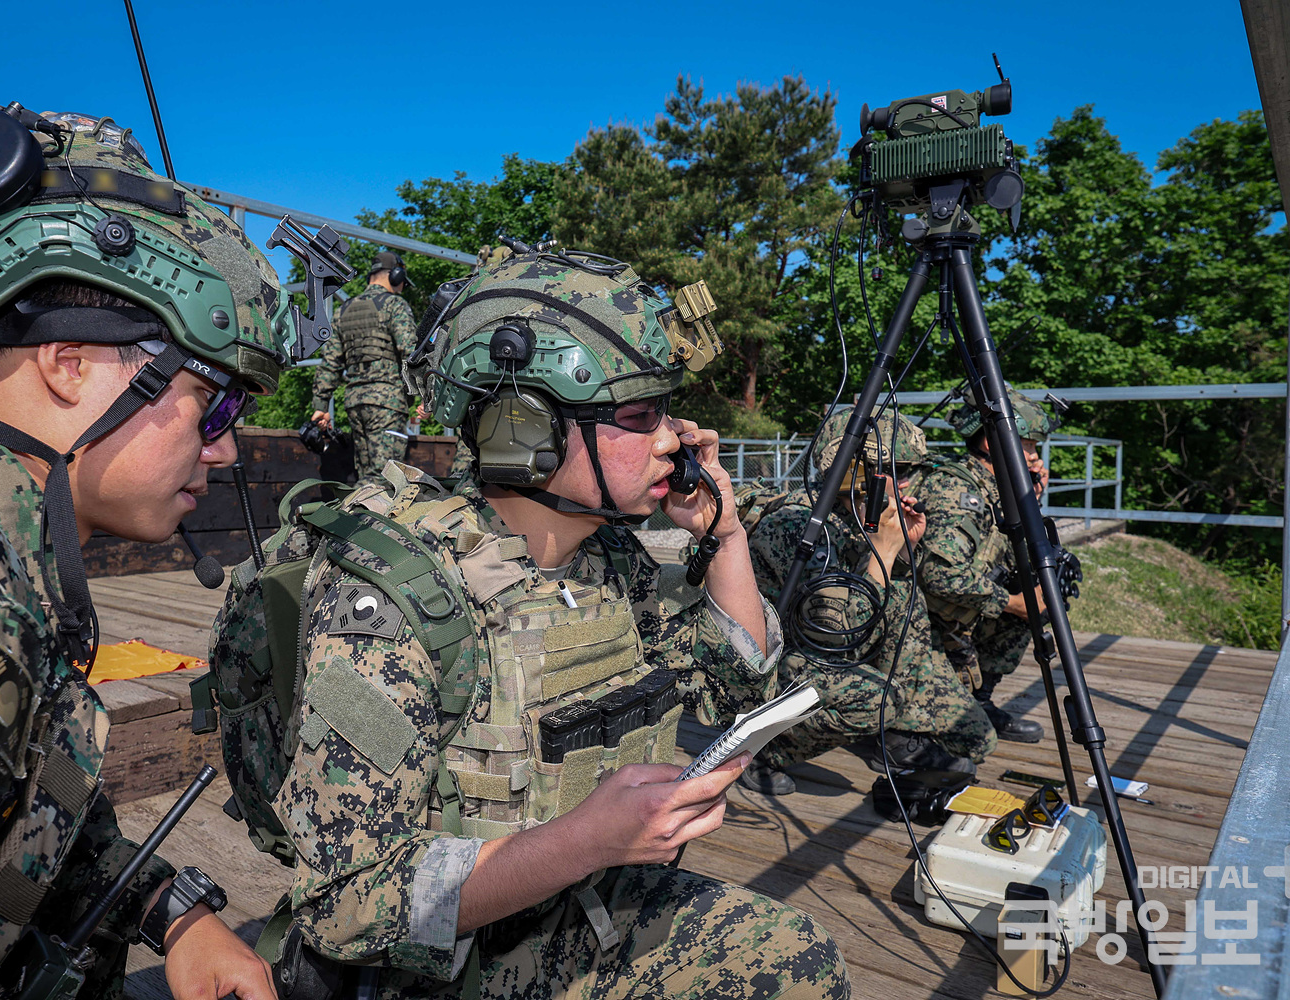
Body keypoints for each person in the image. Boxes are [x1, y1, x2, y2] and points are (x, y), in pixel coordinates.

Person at [214, 246, 849, 998]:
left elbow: (730, 681)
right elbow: (345, 903)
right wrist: (584, 841)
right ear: (528, 426)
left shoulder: (606, 555)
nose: (675, 438)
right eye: (642, 416)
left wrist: (726, 535)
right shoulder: (392, 597)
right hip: (441, 965)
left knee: (799, 960)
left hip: (575, 909)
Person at [0, 105, 304, 999]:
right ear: (69, 364)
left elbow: (13, 829)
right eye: (215, 405)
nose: (227, 449)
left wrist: (171, 909)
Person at [741, 406, 995, 796]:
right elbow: (832, 635)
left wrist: (902, 550)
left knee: (976, 737)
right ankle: (756, 748)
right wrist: (885, 555)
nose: (908, 485)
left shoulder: (864, 520)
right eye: (899, 471)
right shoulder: (799, 526)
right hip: (779, 662)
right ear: (855, 475)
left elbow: (900, 616)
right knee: (877, 700)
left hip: (837, 659)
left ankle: (889, 731)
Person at [912, 387, 1057, 743]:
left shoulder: (996, 489)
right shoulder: (958, 492)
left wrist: (1030, 503)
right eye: (1030, 446)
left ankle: (977, 700)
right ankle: (914, 721)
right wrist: (1012, 603)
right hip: (923, 623)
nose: (1037, 459)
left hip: (959, 613)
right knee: (1021, 607)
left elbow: (1005, 557)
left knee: (1041, 605)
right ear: (996, 445)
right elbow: (939, 575)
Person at [308, 249, 416, 479]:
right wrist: (424, 394)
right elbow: (410, 353)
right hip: (387, 401)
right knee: (388, 479)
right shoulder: (395, 305)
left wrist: (321, 405)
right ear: (395, 276)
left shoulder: (343, 310)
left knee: (367, 477)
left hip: (355, 403)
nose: (403, 287)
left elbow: (330, 362)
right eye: (402, 282)